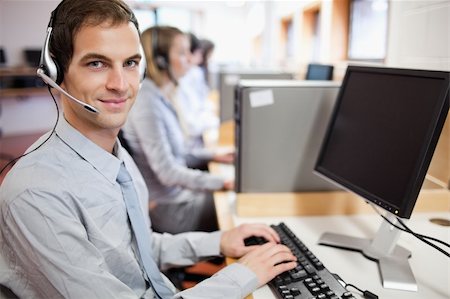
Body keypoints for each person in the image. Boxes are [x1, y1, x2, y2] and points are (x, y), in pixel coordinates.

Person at [0, 1, 297, 299]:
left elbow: (139, 249)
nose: (120, 84)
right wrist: (241, 275)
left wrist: (219, 242)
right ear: (55, 73)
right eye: (96, 63)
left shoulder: (114, 155)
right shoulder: (37, 194)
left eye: (130, 63)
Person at [122, 26, 232, 234]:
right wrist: (222, 181)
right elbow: (167, 172)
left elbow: (179, 154)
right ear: (161, 60)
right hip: (172, 210)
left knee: (232, 198)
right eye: (182, 52)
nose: (190, 59)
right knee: (234, 203)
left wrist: (214, 155)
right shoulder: (147, 104)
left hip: (182, 197)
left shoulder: (161, 96)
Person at [175, 33, 219, 161]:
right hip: (190, 151)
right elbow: (191, 127)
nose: (189, 59)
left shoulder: (191, 75)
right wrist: (214, 122)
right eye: (183, 53)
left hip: (192, 151)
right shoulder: (180, 83)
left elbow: (203, 104)